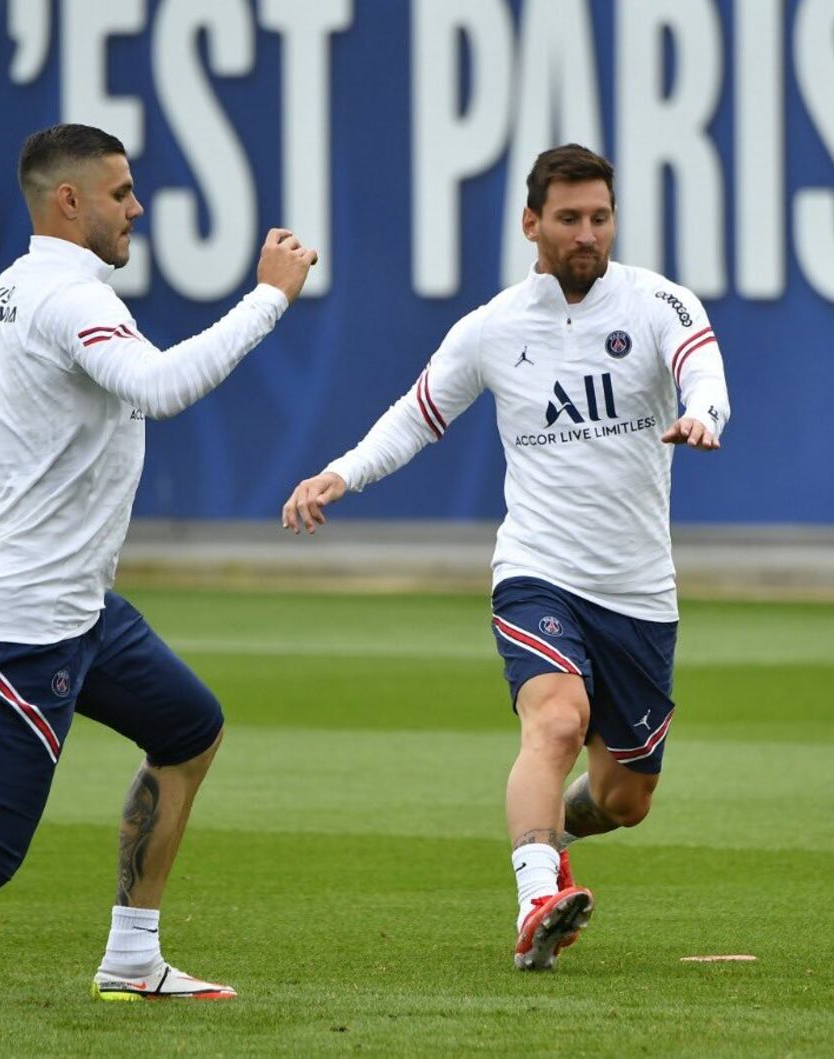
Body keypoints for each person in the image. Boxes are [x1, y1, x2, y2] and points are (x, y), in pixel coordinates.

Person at [0, 123, 317, 1000]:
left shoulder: (11, 291)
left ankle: (133, 958)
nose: (136, 208)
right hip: (25, 622)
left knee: (189, 729)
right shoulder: (70, 300)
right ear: (69, 201)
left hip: (78, 606)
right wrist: (269, 297)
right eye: (121, 192)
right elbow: (162, 387)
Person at [282, 144, 730, 971]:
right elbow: (416, 415)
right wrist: (342, 472)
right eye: (569, 218)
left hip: (638, 589)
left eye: (600, 216)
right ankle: (535, 900)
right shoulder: (491, 328)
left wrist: (704, 412)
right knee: (554, 718)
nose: (587, 233)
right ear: (531, 223)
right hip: (537, 569)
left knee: (626, 798)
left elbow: (701, 368)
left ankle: (549, 834)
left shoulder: (658, 302)